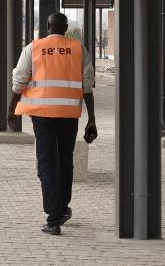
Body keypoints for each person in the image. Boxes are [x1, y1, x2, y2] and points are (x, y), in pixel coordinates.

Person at [7, 12, 98, 236]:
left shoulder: (33, 48)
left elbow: (19, 80)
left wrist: (11, 108)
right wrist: (92, 119)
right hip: (68, 114)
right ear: (65, 27)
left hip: (42, 114)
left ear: (47, 26)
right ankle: (62, 208)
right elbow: (87, 84)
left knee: (47, 163)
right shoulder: (78, 49)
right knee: (65, 161)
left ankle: (54, 217)